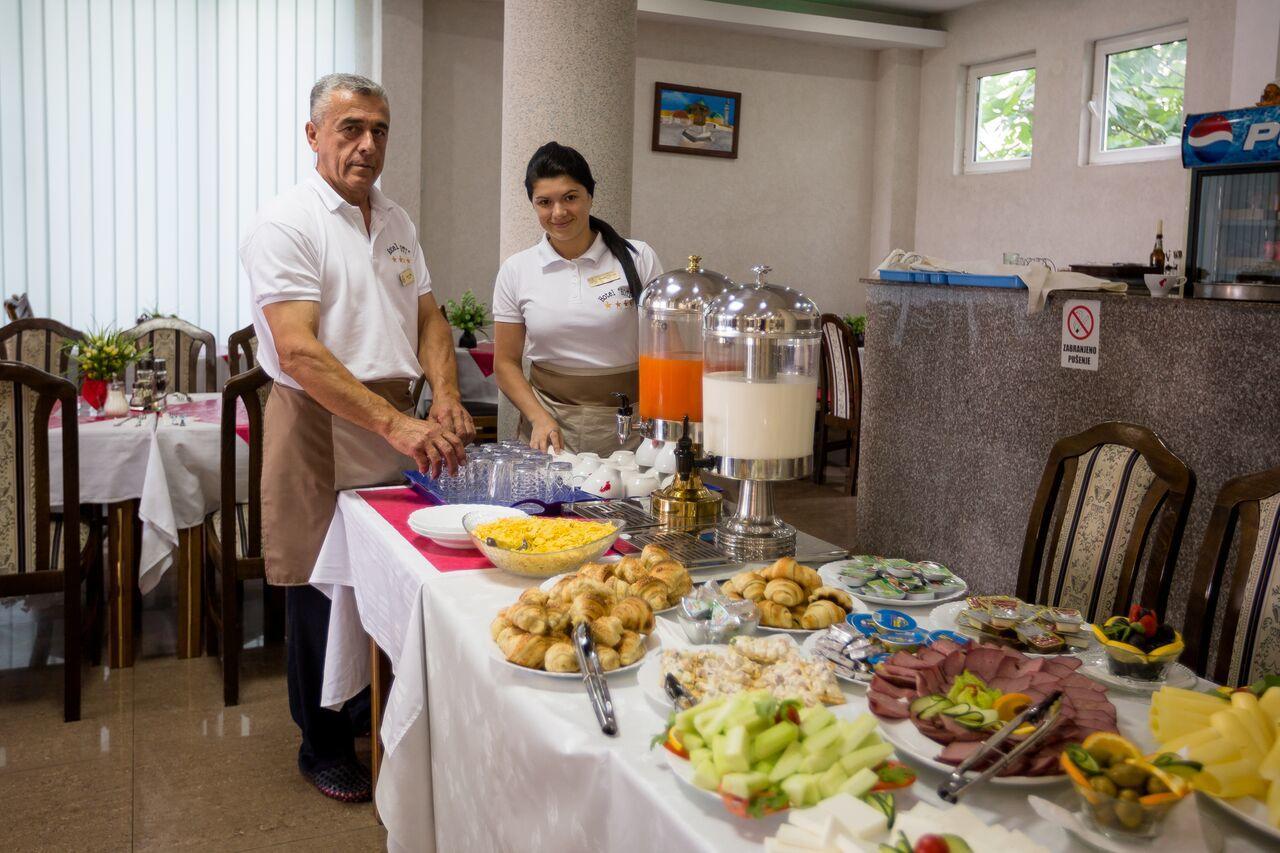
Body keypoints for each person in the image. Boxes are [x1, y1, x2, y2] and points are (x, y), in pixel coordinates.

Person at [240, 73, 474, 803]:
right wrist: (395, 422)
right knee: (321, 584)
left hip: (397, 422)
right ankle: (322, 740)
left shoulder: (398, 221)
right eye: (350, 129)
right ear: (313, 136)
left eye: (379, 130)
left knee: (395, 572)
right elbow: (299, 350)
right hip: (319, 419)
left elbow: (430, 318)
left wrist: (445, 393)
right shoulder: (286, 222)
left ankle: (383, 712)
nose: (367, 144)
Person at [492, 142, 663, 456]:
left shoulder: (638, 258)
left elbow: (665, 347)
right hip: (549, 425)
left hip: (630, 423)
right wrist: (538, 417)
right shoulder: (517, 270)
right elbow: (505, 363)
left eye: (570, 197)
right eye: (545, 202)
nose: (558, 212)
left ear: (590, 196)